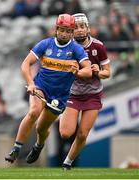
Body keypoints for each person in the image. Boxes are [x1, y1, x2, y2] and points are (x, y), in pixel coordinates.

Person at [5, 13, 92, 163]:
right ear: (56, 29)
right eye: (62, 30)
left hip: (60, 96)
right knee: (33, 112)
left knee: (41, 128)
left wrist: (77, 71)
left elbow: (88, 71)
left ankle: (39, 145)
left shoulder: (76, 50)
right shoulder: (45, 44)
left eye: (68, 31)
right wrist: (31, 83)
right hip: (41, 86)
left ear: (72, 33)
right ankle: (16, 149)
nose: (64, 34)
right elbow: (25, 64)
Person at [59, 13, 111, 170]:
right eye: (76, 28)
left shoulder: (98, 46)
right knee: (65, 133)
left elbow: (107, 73)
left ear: (88, 28)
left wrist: (97, 72)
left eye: (83, 27)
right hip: (73, 93)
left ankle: (67, 162)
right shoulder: (67, 47)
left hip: (93, 95)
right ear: (72, 31)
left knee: (82, 134)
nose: (80, 30)